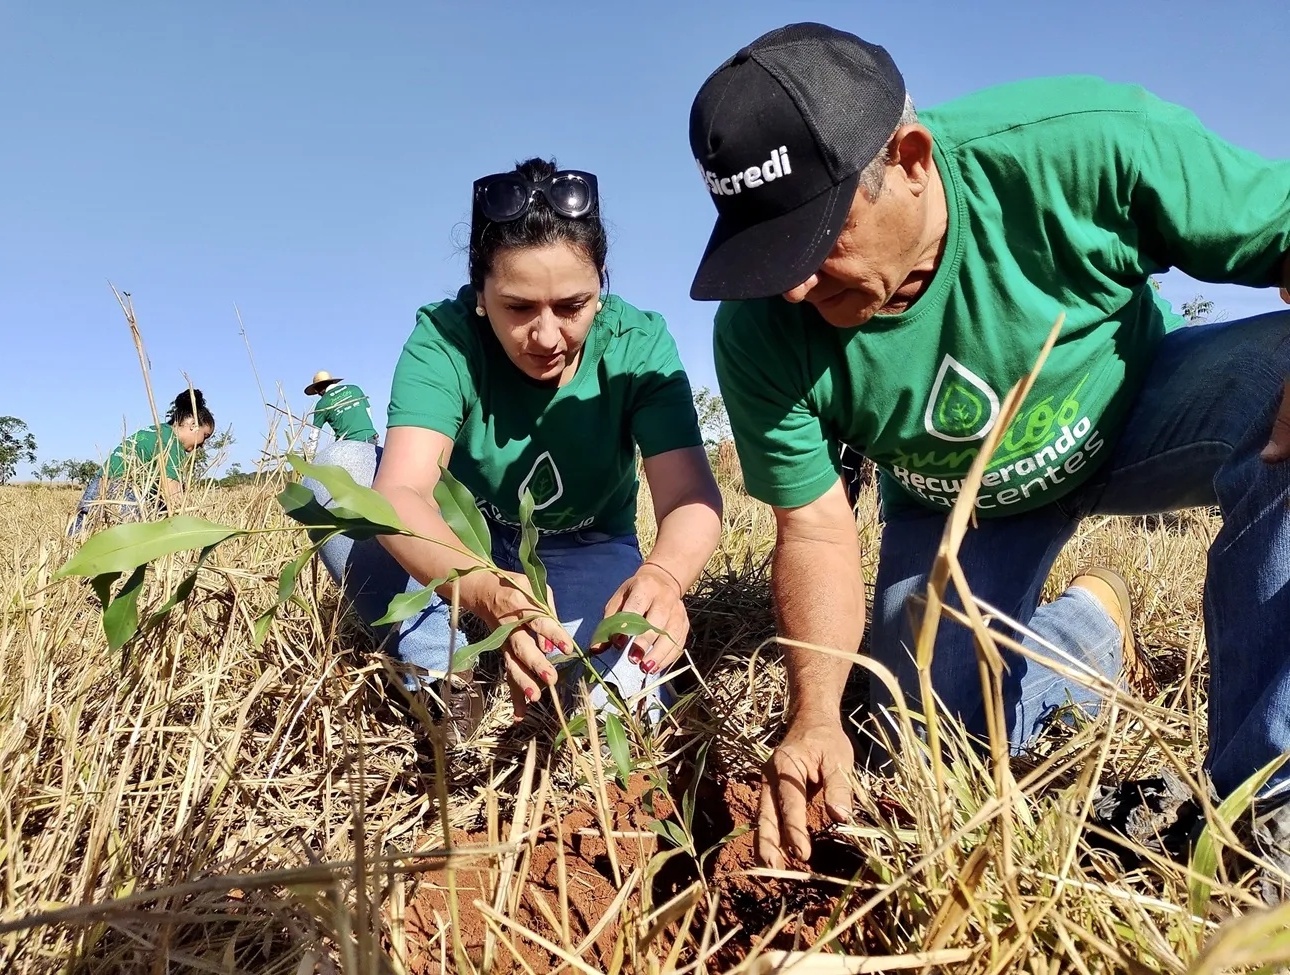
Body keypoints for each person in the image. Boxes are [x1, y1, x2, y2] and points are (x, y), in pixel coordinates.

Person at [686, 23, 1290, 874]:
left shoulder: (1080, 148)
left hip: (1133, 406)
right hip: (956, 504)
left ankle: (1263, 813)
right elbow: (816, 529)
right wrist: (815, 711)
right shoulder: (760, 331)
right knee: (920, 758)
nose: (793, 284)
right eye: (769, 252)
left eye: (818, 239)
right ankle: (1086, 631)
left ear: (912, 158)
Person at [306, 158, 723, 742]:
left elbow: (687, 495)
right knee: (331, 487)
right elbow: (402, 491)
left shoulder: (638, 343)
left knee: (612, 711)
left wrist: (665, 575)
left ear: (602, 285)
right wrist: (485, 589)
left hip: (584, 544)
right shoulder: (444, 340)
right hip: (464, 539)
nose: (547, 336)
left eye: (572, 306)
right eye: (519, 308)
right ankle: (443, 670)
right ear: (481, 295)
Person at [70, 389, 216, 534]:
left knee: (78, 542)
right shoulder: (172, 444)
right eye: (205, 435)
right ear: (193, 425)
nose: (203, 445)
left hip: (97, 487)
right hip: (123, 495)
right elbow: (173, 497)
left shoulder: (155, 431)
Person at [305, 371, 379, 446]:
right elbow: (368, 412)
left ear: (318, 390)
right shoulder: (355, 389)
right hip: (370, 437)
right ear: (332, 382)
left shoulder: (322, 404)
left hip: (347, 444)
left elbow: (314, 434)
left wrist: (309, 455)